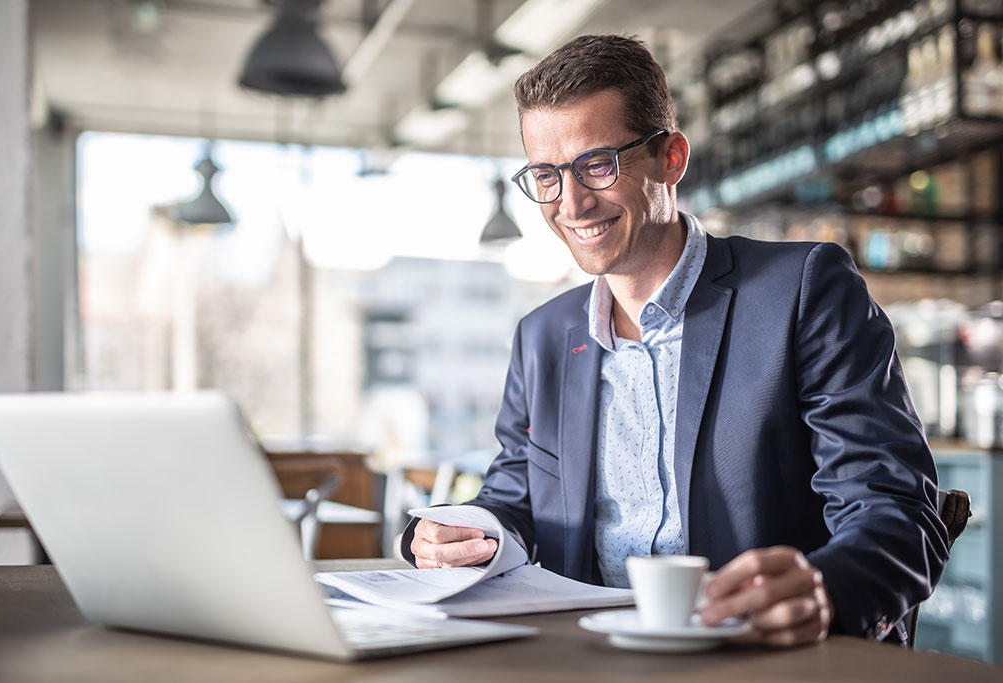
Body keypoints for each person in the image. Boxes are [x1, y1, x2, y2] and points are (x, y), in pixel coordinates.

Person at [401, 34, 949, 647]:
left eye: (597, 165)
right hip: (593, 656)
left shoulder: (802, 289)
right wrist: (460, 533)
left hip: (765, 658)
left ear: (671, 158)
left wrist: (825, 590)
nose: (572, 203)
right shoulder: (543, 338)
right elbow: (516, 498)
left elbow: (894, 511)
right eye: (547, 175)